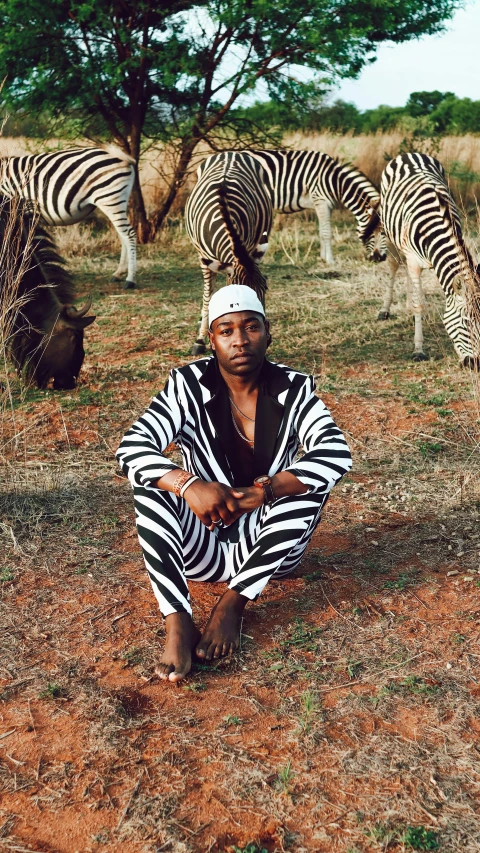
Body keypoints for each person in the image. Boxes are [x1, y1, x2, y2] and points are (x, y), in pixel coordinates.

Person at [116, 285, 352, 683]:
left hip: (272, 555)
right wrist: (188, 484)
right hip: (201, 549)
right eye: (226, 331)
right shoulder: (187, 384)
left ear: (268, 332)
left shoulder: (295, 388)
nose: (239, 340)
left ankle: (232, 605)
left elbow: (335, 454)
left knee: (309, 483)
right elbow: (133, 446)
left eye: (250, 327)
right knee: (151, 485)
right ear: (212, 339)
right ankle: (177, 620)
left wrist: (266, 492)